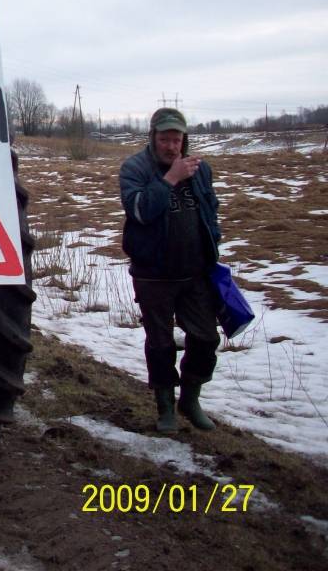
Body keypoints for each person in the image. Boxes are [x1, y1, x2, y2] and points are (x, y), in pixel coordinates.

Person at [119, 108, 222, 433]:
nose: (171, 146)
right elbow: (140, 211)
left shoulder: (200, 169)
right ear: (153, 137)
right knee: (161, 344)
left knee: (205, 338)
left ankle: (190, 400)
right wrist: (170, 179)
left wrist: (212, 248)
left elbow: (211, 211)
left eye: (177, 140)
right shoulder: (135, 168)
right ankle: (165, 409)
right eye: (165, 139)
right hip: (153, 275)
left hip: (195, 273)